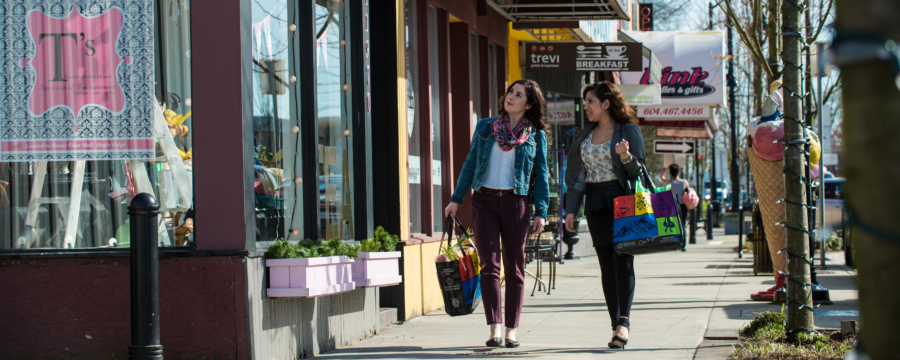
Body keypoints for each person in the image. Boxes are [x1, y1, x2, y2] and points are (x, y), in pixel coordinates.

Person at [445, 79, 550, 349]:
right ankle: (494, 328)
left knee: (514, 269)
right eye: (510, 92)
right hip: (484, 202)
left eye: (518, 95)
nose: (510, 97)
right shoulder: (486, 127)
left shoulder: (536, 135)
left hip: (517, 204)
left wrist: (541, 211)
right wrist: (457, 199)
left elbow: (541, 173)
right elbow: (470, 163)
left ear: (528, 104)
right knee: (490, 266)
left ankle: (511, 330)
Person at [563, 81, 645, 349]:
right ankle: (614, 326)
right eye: (585, 101)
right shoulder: (584, 137)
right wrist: (571, 210)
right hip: (596, 203)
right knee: (606, 266)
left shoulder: (629, 131)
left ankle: (624, 324)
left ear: (605, 103)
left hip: (624, 201)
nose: (585, 107)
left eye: (590, 101)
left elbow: (639, 173)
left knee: (623, 261)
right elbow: (576, 177)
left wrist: (627, 158)